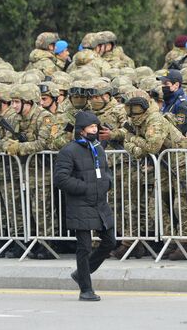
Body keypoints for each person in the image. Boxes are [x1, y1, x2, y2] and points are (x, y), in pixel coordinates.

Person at [54, 111, 115, 301]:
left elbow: (105, 169)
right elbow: (61, 178)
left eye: (96, 127)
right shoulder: (69, 151)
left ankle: (81, 273)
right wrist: (84, 187)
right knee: (84, 247)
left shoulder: (98, 148)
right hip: (80, 204)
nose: (95, 130)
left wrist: (108, 182)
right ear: (81, 130)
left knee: (110, 242)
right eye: (91, 128)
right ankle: (86, 289)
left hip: (99, 203)